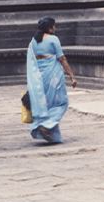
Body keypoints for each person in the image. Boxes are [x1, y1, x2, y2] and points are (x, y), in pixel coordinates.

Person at [26, 16, 76, 144]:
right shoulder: (53, 39)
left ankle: (51, 134)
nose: (56, 28)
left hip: (39, 77)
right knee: (61, 102)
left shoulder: (33, 41)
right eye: (54, 26)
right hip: (53, 75)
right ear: (49, 28)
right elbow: (62, 59)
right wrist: (71, 75)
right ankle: (47, 125)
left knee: (46, 104)